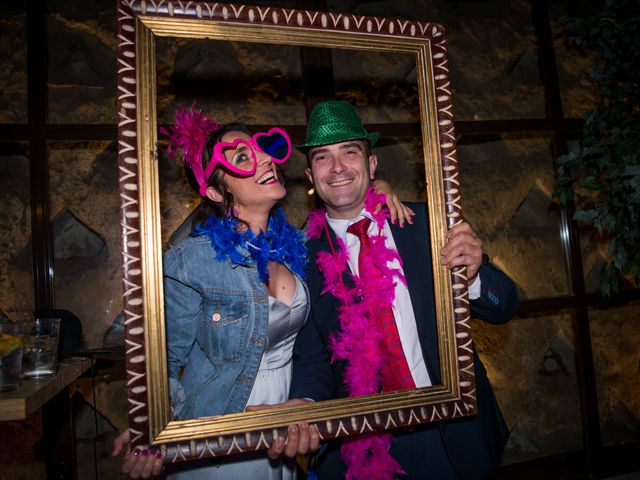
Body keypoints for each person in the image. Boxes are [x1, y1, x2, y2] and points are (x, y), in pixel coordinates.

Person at [111, 104, 412, 479]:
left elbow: (314, 348)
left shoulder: (301, 247)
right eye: (242, 158)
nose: (265, 160)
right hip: (220, 440)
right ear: (215, 193)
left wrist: (377, 189)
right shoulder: (192, 260)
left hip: (287, 434)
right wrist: (152, 426)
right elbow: (161, 363)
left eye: (263, 150)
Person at [288, 100, 519, 479]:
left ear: (372, 164)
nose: (338, 168)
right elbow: (313, 358)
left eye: (350, 152)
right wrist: (307, 406)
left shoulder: (426, 224)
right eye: (322, 157)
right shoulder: (301, 258)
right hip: (365, 447)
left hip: (455, 431)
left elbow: (505, 305)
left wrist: (474, 277)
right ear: (310, 176)